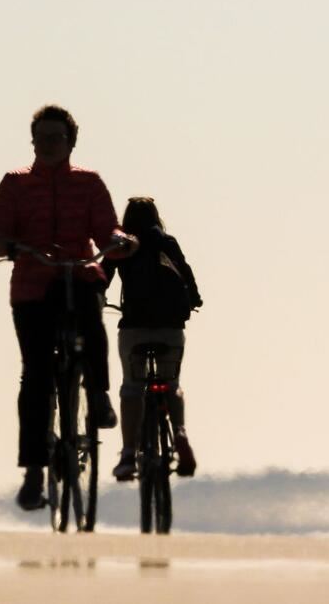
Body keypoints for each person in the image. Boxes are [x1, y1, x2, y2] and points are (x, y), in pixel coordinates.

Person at [0, 105, 138, 510]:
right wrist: (9, 246)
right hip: (32, 286)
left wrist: (121, 241)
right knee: (36, 378)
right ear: (32, 141)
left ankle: (98, 395)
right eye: (41, 138)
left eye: (55, 137)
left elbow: (107, 228)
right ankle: (33, 473)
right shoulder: (15, 184)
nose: (47, 145)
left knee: (92, 323)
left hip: (79, 275)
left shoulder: (88, 183)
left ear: (71, 142)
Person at [104, 197, 203, 480]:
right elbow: (185, 273)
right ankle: (180, 434)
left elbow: (103, 277)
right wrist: (194, 299)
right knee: (172, 384)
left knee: (131, 388)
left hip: (134, 329)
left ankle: (128, 455)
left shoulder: (122, 246)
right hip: (170, 328)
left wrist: (97, 298)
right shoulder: (167, 243)